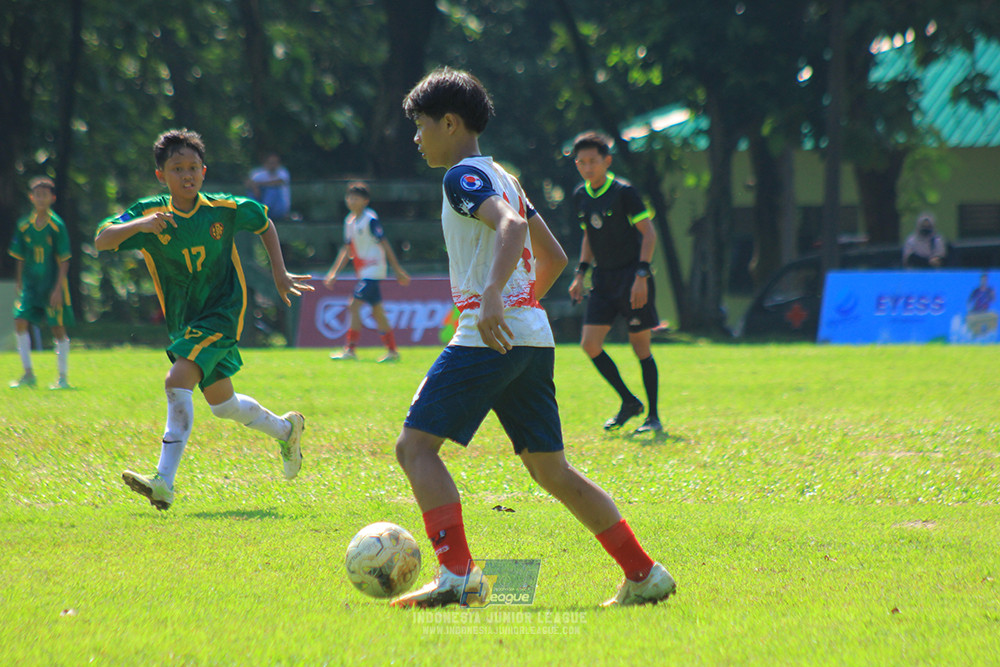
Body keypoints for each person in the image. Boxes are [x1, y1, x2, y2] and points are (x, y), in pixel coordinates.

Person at [391, 67, 675, 608]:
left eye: (422, 126)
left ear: (449, 123)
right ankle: (643, 573)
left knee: (415, 448)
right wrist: (517, 305)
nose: (417, 137)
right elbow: (555, 257)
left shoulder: (461, 176)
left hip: (487, 336)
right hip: (531, 337)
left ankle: (457, 574)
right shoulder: (506, 175)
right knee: (551, 470)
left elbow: (513, 229)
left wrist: (494, 296)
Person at [95, 129, 313, 511]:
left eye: (193, 167)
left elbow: (263, 221)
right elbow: (102, 239)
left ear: (204, 171)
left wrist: (279, 273)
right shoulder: (151, 214)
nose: (187, 175)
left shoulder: (222, 208)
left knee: (177, 379)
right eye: (177, 168)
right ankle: (286, 429)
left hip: (223, 312)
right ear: (161, 175)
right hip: (185, 322)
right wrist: (140, 227)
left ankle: (163, 481)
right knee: (222, 405)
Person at [567, 131, 663, 434]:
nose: (587, 167)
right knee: (590, 344)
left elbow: (649, 234)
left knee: (640, 348)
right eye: (581, 162)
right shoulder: (580, 195)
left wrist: (641, 276)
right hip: (604, 280)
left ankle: (654, 417)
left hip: (632, 278)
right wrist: (580, 273)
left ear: (607, 161)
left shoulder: (624, 192)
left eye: (592, 161)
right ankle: (629, 402)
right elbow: (589, 236)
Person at [324, 181, 411, 362]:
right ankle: (392, 351)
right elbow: (347, 249)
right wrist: (334, 272)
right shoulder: (349, 221)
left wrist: (397, 270)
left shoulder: (370, 219)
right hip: (364, 271)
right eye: (349, 197)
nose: (351, 201)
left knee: (353, 305)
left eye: (356, 198)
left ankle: (350, 349)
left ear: (365, 201)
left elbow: (384, 243)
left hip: (374, 270)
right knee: (378, 311)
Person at [8, 176, 74, 390]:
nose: (41, 198)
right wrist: (19, 284)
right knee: (19, 321)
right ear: (31, 197)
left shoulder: (57, 226)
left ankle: (62, 377)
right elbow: (19, 257)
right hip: (30, 285)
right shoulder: (24, 225)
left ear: (52, 198)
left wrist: (58, 289)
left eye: (45, 195)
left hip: (51, 284)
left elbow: (64, 260)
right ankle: (28, 374)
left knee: (57, 327)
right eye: (37, 194)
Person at [246, 152, 291, 220]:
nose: (273, 165)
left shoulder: (282, 172)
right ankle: (256, 212)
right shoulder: (257, 172)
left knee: (272, 190)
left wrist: (258, 184)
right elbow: (248, 183)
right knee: (251, 192)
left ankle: (264, 212)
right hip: (260, 201)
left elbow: (279, 182)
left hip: (278, 209)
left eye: (275, 162)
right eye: (271, 162)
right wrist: (254, 187)